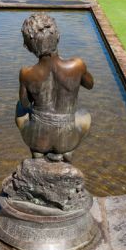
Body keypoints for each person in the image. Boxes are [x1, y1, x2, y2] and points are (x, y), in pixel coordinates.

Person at [15, 13, 94, 162]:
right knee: (85, 114)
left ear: (28, 46)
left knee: (19, 108)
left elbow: (25, 104)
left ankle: (38, 153)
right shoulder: (77, 65)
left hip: (37, 139)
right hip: (68, 138)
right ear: (57, 37)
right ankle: (67, 151)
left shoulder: (26, 73)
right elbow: (90, 85)